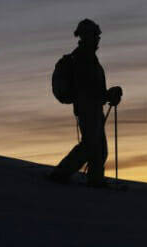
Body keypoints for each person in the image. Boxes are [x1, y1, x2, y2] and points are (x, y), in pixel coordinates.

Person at [49, 19, 122, 187]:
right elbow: (88, 89)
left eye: (98, 36)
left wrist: (108, 94)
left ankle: (94, 180)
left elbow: (93, 89)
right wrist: (107, 95)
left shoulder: (89, 58)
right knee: (90, 145)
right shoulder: (82, 59)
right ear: (87, 36)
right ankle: (61, 174)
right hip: (87, 107)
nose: (97, 39)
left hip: (93, 107)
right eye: (95, 35)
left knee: (98, 147)